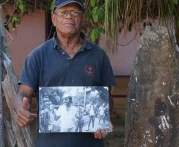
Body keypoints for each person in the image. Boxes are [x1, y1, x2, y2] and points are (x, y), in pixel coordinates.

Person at [13, 0, 116, 146]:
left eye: (74, 12)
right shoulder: (38, 56)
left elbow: (107, 98)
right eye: (63, 12)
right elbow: (22, 94)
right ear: (54, 19)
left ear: (82, 18)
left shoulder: (99, 56)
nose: (69, 17)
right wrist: (20, 108)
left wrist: (103, 117)